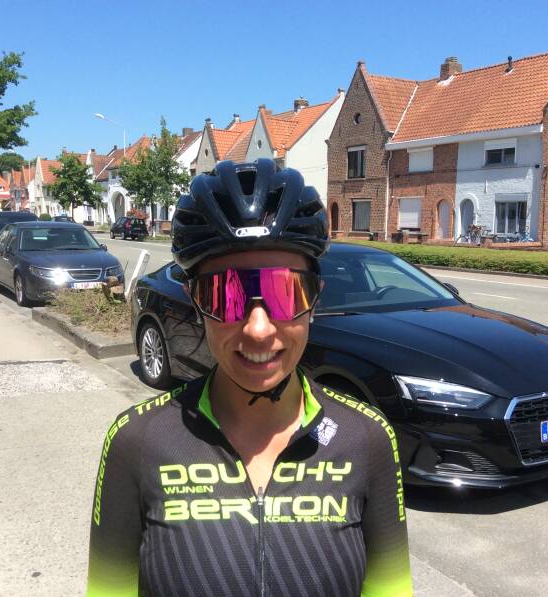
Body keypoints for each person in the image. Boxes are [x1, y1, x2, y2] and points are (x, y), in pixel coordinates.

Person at [87, 158, 412, 596]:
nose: (258, 329)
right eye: (226, 295)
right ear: (195, 301)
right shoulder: (136, 443)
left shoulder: (368, 440)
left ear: (314, 298)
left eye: (285, 292)